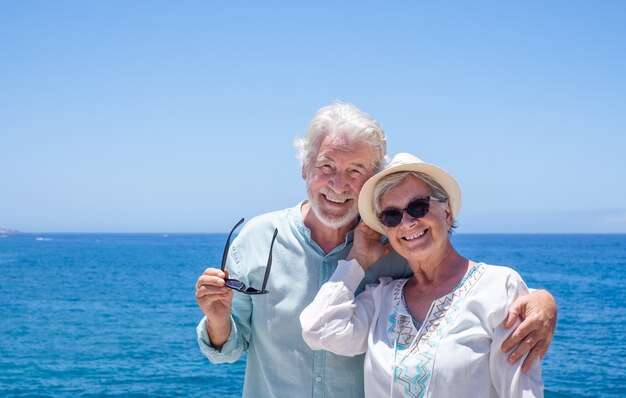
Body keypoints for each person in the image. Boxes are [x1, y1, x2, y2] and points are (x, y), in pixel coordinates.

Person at [195, 102, 556, 398]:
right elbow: (228, 350)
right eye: (325, 166)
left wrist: (541, 300)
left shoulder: (398, 247)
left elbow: (470, 288)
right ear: (304, 168)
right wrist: (217, 319)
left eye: (355, 170)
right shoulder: (257, 239)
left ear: (371, 180)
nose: (338, 183)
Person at [300, 152, 544, 397]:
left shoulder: (499, 288)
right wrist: (358, 260)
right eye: (391, 216)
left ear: (447, 213)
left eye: (418, 207)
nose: (407, 222)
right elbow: (320, 330)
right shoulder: (381, 299)